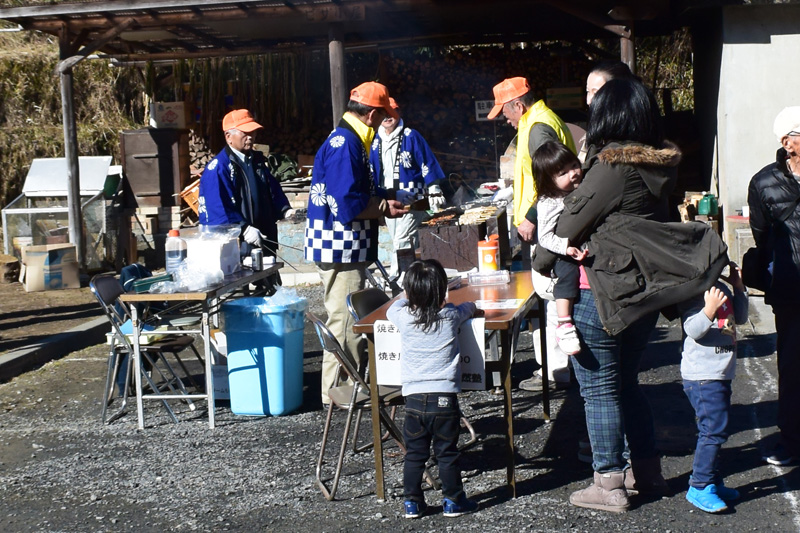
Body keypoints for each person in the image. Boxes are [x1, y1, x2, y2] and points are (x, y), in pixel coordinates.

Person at [544, 78, 699, 512]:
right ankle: (646, 472)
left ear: (609, 116)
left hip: (602, 291)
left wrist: (542, 255)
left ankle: (608, 481)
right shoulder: (660, 166)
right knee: (626, 384)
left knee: (599, 390)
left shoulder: (613, 168)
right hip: (642, 294)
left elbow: (566, 226)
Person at [304, 81, 406, 405]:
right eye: (383, 115)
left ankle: (346, 387)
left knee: (348, 318)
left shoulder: (352, 139)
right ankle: (336, 395)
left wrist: (381, 199)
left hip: (346, 245)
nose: (383, 121)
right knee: (346, 321)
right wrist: (382, 206)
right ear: (373, 113)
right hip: (339, 246)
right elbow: (346, 203)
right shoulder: (345, 143)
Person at [486, 76, 576, 391]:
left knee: (549, 294)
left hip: (545, 225)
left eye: (505, 113)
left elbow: (551, 179)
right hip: (546, 223)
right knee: (548, 293)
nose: (505, 120)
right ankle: (556, 367)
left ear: (518, 105)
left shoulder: (538, 128)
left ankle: (555, 370)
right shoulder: (538, 121)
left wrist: (532, 217)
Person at [386, 259, 481, 519]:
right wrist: (469, 305)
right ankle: (453, 500)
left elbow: (393, 308)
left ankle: (412, 503)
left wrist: (408, 296)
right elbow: (469, 308)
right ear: (442, 291)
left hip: (414, 399)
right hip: (445, 399)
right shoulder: (450, 316)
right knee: (446, 453)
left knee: (415, 454)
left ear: (410, 292)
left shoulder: (404, 317)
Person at [747, 106, 800, 466]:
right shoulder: (763, 182)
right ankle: (792, 441)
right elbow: (761, 237)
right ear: (788, 143)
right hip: (791, 287)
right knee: (793, 367)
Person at [679, 263, 748, 513]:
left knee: (716, 428)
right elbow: (692, 330)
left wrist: (738, 287)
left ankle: (713, 480)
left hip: (720, 373)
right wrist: (709, 310)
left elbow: (740, 318)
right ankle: (699, 485)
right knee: (713, 430)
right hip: (702, 375)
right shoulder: (693, 291)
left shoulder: (721, 288)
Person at [199, 109, 293, 260]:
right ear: (228, 137)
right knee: (240, 281)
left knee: (270, 281)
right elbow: (218, 207)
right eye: (245, 133)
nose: (250, 137)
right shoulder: (218, 168)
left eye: (253, 132)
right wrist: (243, 228)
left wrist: (285, 210)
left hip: (264, 237)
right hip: (238, 245)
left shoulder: (257, 161)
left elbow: (272, 189)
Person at [370, 98, 446, 274]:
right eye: (385, 113)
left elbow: (427, 162)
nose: (388, 117)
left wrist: (434, 188)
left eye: (392, 112)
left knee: (402, 239)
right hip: (387, 199)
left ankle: (399, 276)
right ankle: (416, 274)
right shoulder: (374, 140)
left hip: (412, 199)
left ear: (399, 113)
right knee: (403, 238)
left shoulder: (411, 136)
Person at [531, 141, 587, 355]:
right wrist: (566, 248)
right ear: (549, 181)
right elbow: (544, 237)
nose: (573, 173)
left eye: (574, 165)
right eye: (563, 173)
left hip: (577, 244)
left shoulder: (580, 187)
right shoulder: (549, 202)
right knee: (568, 274)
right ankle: (564, 324)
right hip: (559, 253)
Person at [579, 61, 635, 161]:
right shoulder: (591, 135)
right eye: (588, 92)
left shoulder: (631, 140)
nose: (588, 101)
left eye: (596, 93)